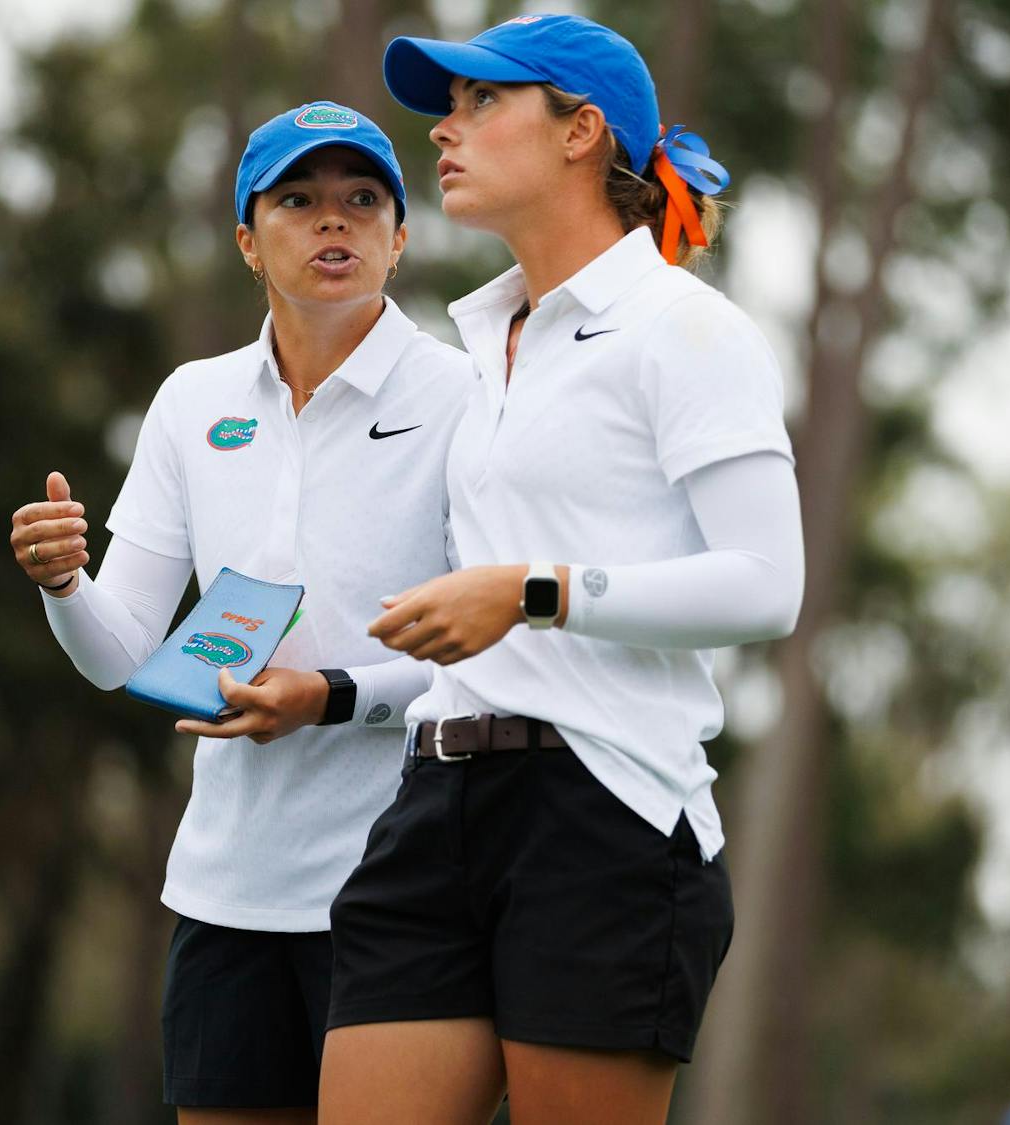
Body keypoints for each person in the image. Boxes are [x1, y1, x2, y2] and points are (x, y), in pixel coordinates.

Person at [318, 16, 806, 1125]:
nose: (444, 130)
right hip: (436, 800)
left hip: (606, 815)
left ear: (582, 130)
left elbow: (769, 585)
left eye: (484, 102)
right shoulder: (486, 341)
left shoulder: (685, 329)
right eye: (448, 106)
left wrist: (536, 591)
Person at [8, 100, 470, 1122]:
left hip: (408, 889)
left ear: (401, 238)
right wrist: (65, 589)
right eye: (298, 201)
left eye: (361, 201)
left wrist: (331, 698)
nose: (332, 223)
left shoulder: (466, 397)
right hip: (226, 892)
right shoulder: (191, 402)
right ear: (248, 243)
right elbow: (122, 649)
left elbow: (488, 656)